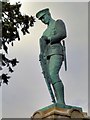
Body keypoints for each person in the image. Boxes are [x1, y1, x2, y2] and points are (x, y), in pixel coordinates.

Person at [36, 8, 67, 107]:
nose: (43, 20)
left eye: (43, 17)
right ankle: (57, 101)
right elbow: (43, 47)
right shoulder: (44, 32)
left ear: (48, 14)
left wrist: (49, 38)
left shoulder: (58, 22)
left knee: (53, 74)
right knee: (50, 77)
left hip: (56, 51)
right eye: (41, 19)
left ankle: (61, 102)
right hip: (47, 55)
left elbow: (62, 34)